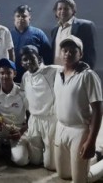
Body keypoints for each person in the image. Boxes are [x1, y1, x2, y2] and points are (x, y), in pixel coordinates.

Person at [54, 36, 103, 183]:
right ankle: (92, 158)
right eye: (65, 50)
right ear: (60, 53)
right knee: (63, 175)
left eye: (73, 51)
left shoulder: (88, 76)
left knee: (80, 181)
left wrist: (91, 140)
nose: (68, 54)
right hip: (61, 127)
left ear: (80, 54)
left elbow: (98, 109)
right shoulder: (58, 73)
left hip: (79, 129)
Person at [20, 45, 58, 170]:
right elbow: (24, 95)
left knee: (50, 166)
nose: (28, 62)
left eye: (32, 58)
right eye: (25, 59)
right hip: (34, 119)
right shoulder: (25, 76)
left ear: (39, 58)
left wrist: (83, 66)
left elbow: (70, 68)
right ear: (21, 62)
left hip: (50, 119)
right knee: (35, 161)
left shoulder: (52, 71)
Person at [51, 0, 97, 69]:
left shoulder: (85, 26)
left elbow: (90, 53)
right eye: (60, 9)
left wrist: (87, 72)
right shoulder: (54, 30)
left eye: (66, 8)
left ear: (73, 10)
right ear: (56, 12)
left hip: (76, 73)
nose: (62, 11)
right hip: (57, 73)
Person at [10, 5, 52, 83]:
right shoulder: (8, 35)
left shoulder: (38, 34)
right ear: (14, 18)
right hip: (13, 78)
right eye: (18, 16)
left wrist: (47, 77)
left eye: (24, 16)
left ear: (29, 17)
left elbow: (48, 57)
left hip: (35, 77)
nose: (20, 18)